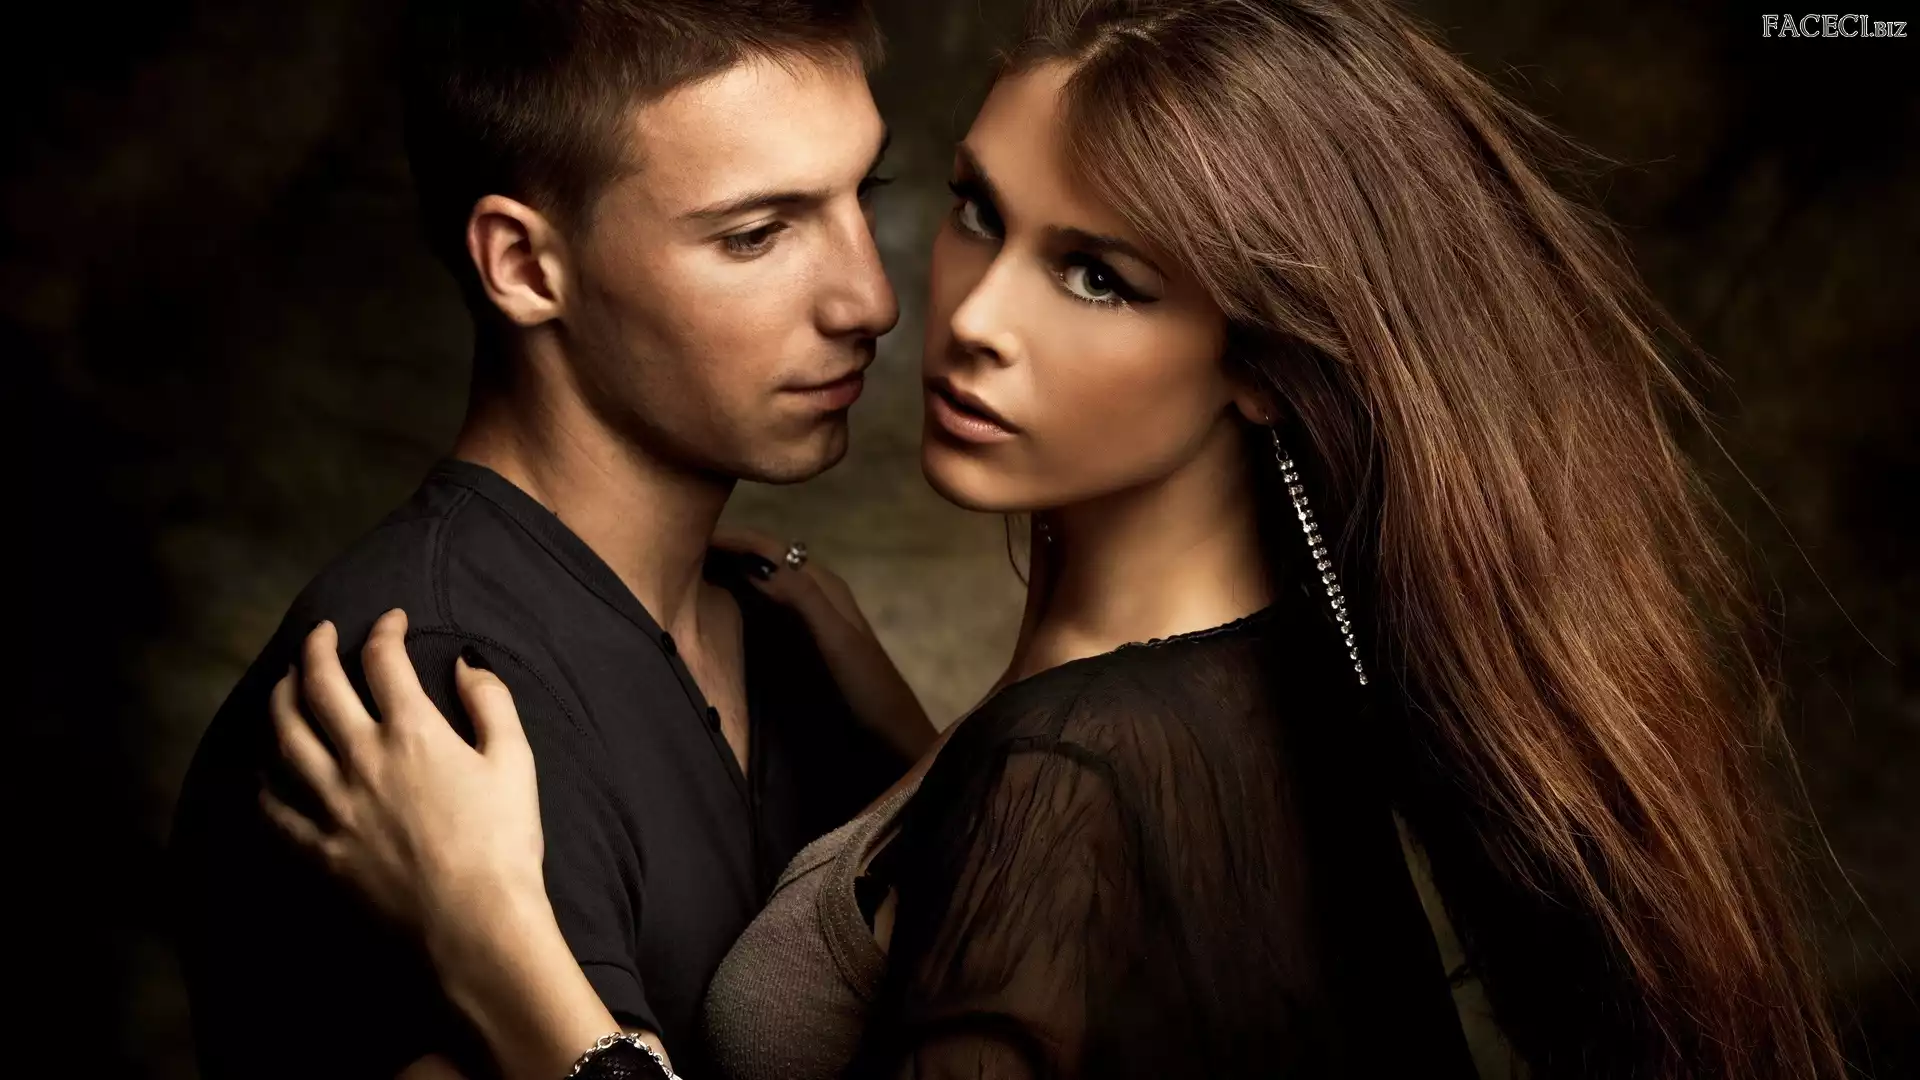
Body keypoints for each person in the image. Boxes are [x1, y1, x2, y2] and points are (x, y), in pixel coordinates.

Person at [258, 1, 1847, 1078]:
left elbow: (1063, 851)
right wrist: (920, 758)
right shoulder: (1251, 689)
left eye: (1099, 276)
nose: (931, 315)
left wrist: (510, 957)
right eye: (973, 212)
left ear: (1262, 358)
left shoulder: (1070, 781)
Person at [167, 3, 932, 1078]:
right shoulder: (434, 697)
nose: (871, 301)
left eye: (866, 192)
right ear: (524, 265)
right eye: (756, 235)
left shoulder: (790, 645)